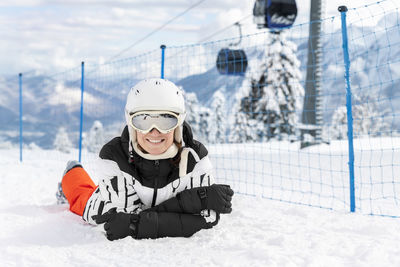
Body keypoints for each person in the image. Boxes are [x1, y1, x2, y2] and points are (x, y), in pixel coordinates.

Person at [57, 78, 234, 241]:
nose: (154, 131)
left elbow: (207, 219)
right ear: (131, 123)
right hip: (104, 206)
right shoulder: (114, 156)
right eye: (143, 120)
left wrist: (134, 224)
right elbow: (119, 219)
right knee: (83, 198)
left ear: (179, 124)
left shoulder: (195, 158)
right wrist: (195, 200)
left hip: (123, 194)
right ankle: (72, 172)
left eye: (166, 120)